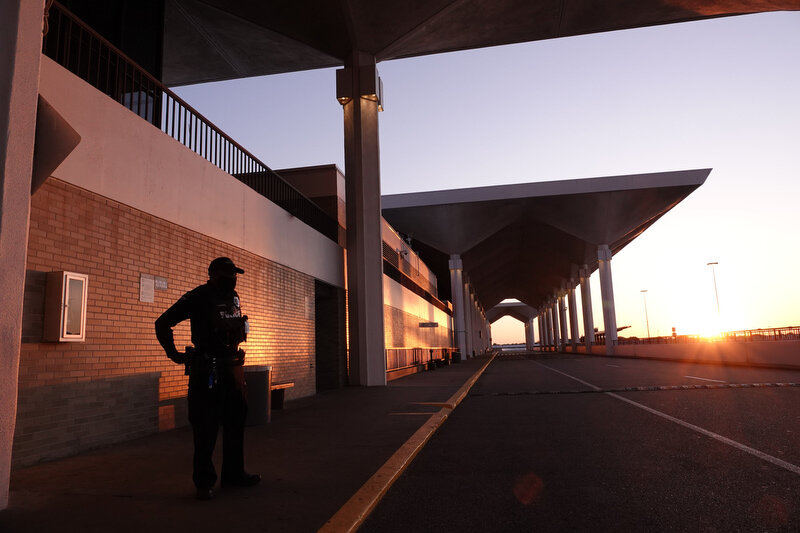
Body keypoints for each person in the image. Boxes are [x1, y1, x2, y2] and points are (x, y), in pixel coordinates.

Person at [155, 257, 260, 500]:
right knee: (206, 427)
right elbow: (162, 323)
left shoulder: (234, 298)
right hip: (208, 371)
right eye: (227, 273)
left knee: (235, 424)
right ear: (212, 274)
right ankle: (204, 482)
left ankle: (234, 475)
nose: (232, 278)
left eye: (234, 274)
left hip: (234, 369)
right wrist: (175, 355)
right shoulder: (198, 296)